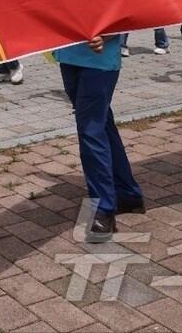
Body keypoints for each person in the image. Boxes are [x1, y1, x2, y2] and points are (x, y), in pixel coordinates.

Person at [54, 33, 145, 244]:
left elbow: (127, 8)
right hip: (67, 54)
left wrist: (109, 35)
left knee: (91, 130)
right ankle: (128, 194)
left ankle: (104, 208)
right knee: (101, 124)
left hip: (100, 59)